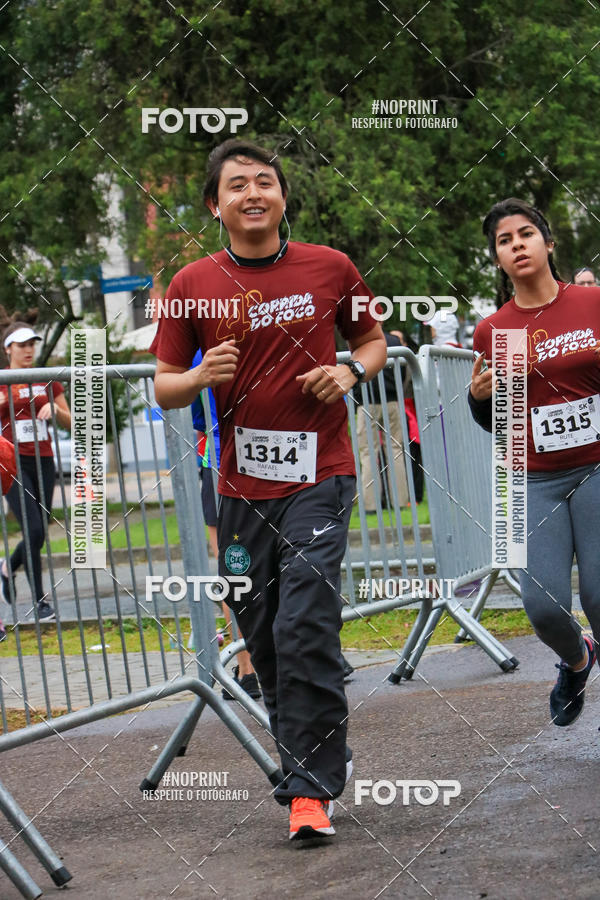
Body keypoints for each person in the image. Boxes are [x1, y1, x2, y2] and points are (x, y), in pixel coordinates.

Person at [150, 138, 386, 841]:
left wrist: (350, 373)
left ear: (282, 197)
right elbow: (162, 383)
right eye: (237, 185)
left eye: (265, 182)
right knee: (267, 638)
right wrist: (198, 377)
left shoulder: (330, 266)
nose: (253, 193)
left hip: (322, 471)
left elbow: (372, 339)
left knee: (304, 620)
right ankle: (309, 763)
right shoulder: (191, 281)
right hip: (242, 489)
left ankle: (310, 791)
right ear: (214, 206)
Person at [468, 197, 600, 728]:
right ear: (498, 259)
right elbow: (499, 424)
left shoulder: (591, 305)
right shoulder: (494, 331)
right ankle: (577, 660)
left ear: (548, 243)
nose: (517, 244)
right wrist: (482, 399)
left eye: (525, 234)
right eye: (504, 240)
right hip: (529, 478)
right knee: (544, 606)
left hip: (596, 467)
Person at [190, 347, 260, 700]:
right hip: (260, 460)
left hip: (224, 461)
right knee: (272, 553)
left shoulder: (201, 350)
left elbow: (197, 418)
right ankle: (311, 653)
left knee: (230, 564)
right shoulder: (264, 328)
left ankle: (248, 668)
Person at [0, 323, 72, 622]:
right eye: (21, 345)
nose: (28, 350)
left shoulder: (47, 381)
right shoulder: (1, 382)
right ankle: (41, 602)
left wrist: (55, 413)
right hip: (10, 462)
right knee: (34, 529)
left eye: (32, 344)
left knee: (38, 532)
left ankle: (7, 567)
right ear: (8, 350)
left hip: (44, 460)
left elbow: (70, 422)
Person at [354, 330, 410, 513]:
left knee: (368, 453)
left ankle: (370, 505)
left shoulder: (355, 338)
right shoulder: (394, 340)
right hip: (392, 400)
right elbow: (403, 371)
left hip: (366, 401)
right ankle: (400, 501)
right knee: (395, 450)